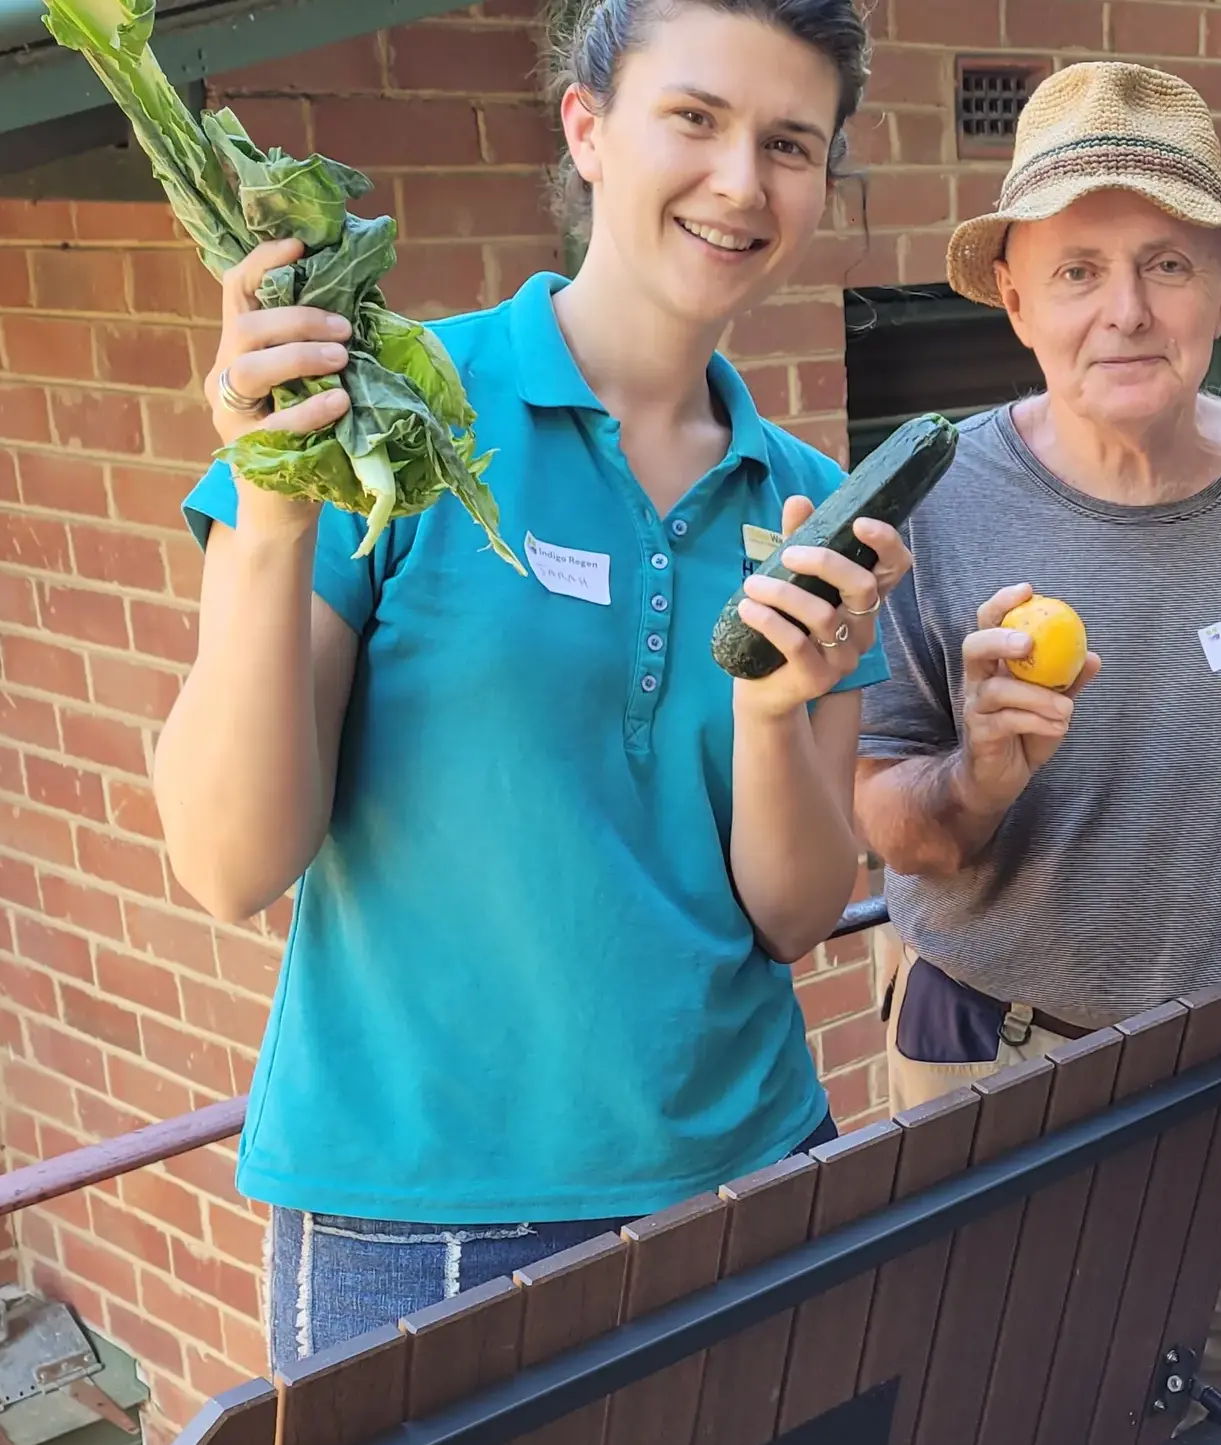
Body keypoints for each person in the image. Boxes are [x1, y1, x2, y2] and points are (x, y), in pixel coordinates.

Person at [152, 0, 906, 1371]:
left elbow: (792, 915)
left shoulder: (807, 499)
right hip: (420, 1230)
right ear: (587, 127)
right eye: (695, 117)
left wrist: (770, 705)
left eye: (791, 143)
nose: (742, 182)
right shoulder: (391, 408)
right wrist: (274, 510)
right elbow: (224, 858)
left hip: (754, 1175)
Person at [855, 62, 1221, 1404]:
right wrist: (977, 772)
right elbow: (881, 812)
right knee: (966, 1403)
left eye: (1167, 265)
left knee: (1219, 1395)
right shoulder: (935, 503)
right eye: (1076, 269)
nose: (1123, 311)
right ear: (1012, 296)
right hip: (983, 1048)